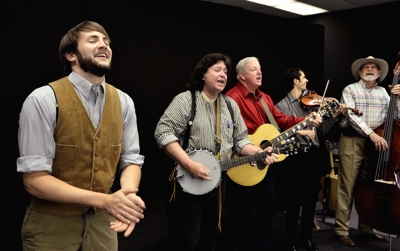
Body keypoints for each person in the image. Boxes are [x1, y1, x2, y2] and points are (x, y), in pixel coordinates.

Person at [17, 21, 146, 251]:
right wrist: (106, 200)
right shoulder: (43, 100)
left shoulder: (124, 102)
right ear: (70, 54)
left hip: (103, 224)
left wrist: (126, 199)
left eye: (106, 41)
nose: (103, 45)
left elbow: (132, 159)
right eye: (93, 40)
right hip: (51, 225)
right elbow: (34, 181)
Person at [154, 53, 278, 251]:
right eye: (217, 70)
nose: (223, 75)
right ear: (203, 74)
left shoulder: (230, 105)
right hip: (187, 182)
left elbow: (240, 141)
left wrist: (258, 151)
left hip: (218, 184)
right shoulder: (186, 100)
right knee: (187, 240)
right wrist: (189, 164)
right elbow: (163, 132)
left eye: (226, 72)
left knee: (210, 237)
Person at [224, 57, 322, 251]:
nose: (259, 72)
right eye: (254, 70)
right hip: (243, 161)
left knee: (268, 209)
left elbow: (281, 119)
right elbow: (228, 133)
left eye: (260, 69)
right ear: (242, 75)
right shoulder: (231, 98)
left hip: (265, 162)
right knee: (241, 213)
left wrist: (305, 120)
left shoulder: (264, 97)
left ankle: (262, 246)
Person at [275, 68, 347, 251]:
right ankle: (290, 240)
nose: (307, 80)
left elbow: (321, 132)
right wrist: (301, 127)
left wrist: (335, 115)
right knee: (293, 201)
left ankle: (306, 238)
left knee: (310, 200)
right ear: (295, 81)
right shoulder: (281, 106)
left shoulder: (313, 104)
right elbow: (278, 135)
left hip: (313, 156)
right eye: (304, 77)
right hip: (295, 157)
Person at [335, 56, 400, 247]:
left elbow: (396, 117)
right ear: (360, 72)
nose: (370, 69)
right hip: (354, 140)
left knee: (369, 185)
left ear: (379, 73)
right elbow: (352, 118)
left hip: (377, 143)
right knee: (348, 186)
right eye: (366, 67)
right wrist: (372, 134)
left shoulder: (384, 93)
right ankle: (341, 229)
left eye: (374, 67)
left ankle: (367, 227)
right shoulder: (350, 89)